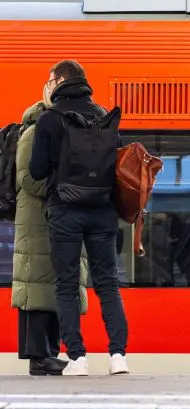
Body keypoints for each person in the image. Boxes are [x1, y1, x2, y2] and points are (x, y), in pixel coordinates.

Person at [29, 59, 130, 376]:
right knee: (108, 285)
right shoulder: (104, 116)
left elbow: (36, 170)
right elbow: (119, 166)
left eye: (50, 78)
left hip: (65, 211)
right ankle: (118, 357)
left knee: (67, 285)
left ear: (59, 80)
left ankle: (78, 358)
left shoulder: (49, 119)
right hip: (102, 211)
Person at [11, 100, 89, 376]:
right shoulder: (33, 132)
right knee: (39, 287)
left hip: (53, 217)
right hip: (38, 222)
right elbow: (28, 179)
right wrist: (66, 189)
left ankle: (49, 353)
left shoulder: (50, 129)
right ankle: (39, 355)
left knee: (53, 286)